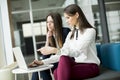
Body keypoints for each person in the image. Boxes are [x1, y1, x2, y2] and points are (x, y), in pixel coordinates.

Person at [29, 4, 100, 80]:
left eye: (68, 18)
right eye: (66, 18)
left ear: (76, 15)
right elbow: (62, 54)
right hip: (77, 64)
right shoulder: (71, 34)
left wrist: (55, 50)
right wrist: (42, 62)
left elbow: (78, 52)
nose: (66, 21)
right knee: (62, 60)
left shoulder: (90, 31)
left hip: (91, 66)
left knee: (58, 72)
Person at [31, 12, 70, 80]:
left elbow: (67, 52)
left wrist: (43, 62)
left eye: (51, 22)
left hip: (64, 60)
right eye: (47, 22)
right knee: (37, 67)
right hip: (55, 60)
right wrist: (47, 39)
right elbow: (45, 56)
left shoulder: (65, 31)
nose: (48, 24)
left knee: (42, 69)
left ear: (57, 22)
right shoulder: (51, 35)